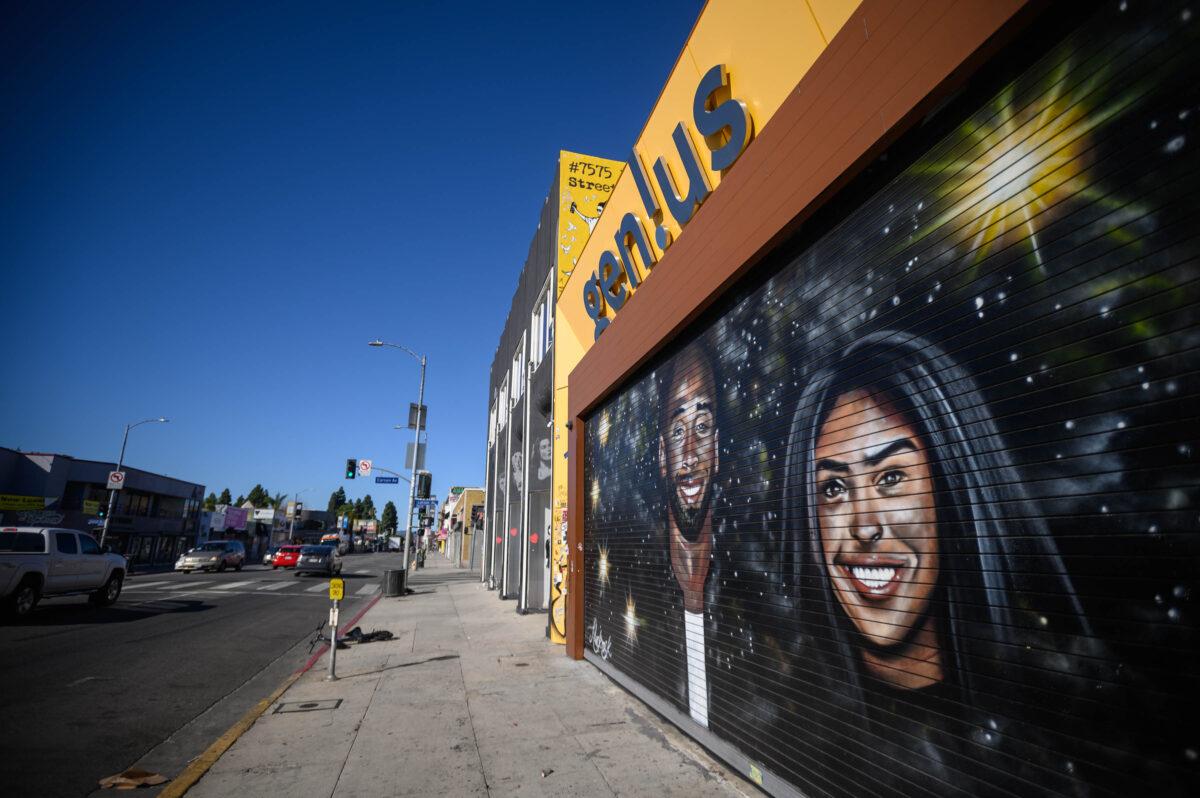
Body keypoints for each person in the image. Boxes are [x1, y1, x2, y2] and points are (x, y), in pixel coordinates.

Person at [779, 330, 1116, 797]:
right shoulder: (789, 709)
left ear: (953, 491)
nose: (863, 526)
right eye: (833, 489)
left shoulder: (1068, 726)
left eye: (891, 477)